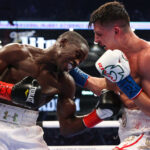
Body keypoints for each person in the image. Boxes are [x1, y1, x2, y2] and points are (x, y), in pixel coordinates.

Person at [0, 30, 121, 149]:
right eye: (77, 55)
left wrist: (99, 115)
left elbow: (67, 128)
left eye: (80, 61)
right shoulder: (17, 52)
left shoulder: (65, 83)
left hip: (26, 130)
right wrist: (9, 91)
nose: (77, 62)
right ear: (63, 43)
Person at [70, 1, 150, 150]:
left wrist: (127, 83)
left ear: (116, 31)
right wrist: (73, 72)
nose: (96, 40)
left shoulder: (146, 57)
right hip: (129, 134)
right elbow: (108, 87)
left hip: (146, 135)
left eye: (99, 34)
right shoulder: (115, 58)